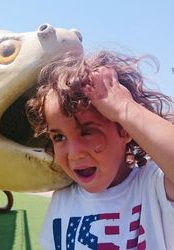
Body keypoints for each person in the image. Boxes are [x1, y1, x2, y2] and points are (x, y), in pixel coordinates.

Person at [26, 51, 174, 250]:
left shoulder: (152, 187)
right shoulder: (63, 200)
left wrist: (124, 108)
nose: (74, 153)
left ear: (124, 130)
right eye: (59, 137)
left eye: (87, 132)